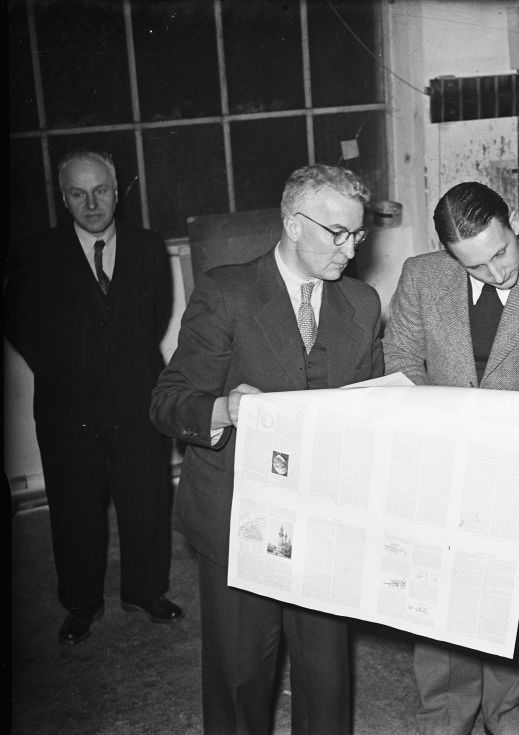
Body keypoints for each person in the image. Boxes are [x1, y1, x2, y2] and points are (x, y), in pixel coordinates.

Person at [150, 164, 383, 734]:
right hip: (240, 520)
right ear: (292, 223)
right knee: (240, 680)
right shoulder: (227, 292)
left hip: (324, 520)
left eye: (357, 235)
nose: (350, 250)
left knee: (326, 682)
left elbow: (375, 408)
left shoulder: (362, 303)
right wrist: (224, 410)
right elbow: (167, 401)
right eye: (337, 233)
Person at [384, 181, 519, 735]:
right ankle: (446, 716)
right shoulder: (421, 277)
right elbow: (403, 362)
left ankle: (511, 717)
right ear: (451, 256)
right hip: (440, 464)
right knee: (438, 598)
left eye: (501, 253)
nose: (497, 273)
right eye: (475, 267)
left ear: (514, 220)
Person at [4, 149, 181, 645]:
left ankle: (146, 590)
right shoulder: (34, 253)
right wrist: (62, 368)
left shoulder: (148, 247)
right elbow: (15, 319)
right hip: (68, 406)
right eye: (78, 194)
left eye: (100, 190)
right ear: (64, 199)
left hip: (136, 397)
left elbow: (156, 317)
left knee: (147, 499)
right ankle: (81, 603)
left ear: (117, 190)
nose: (91, 203)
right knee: (73, 508)